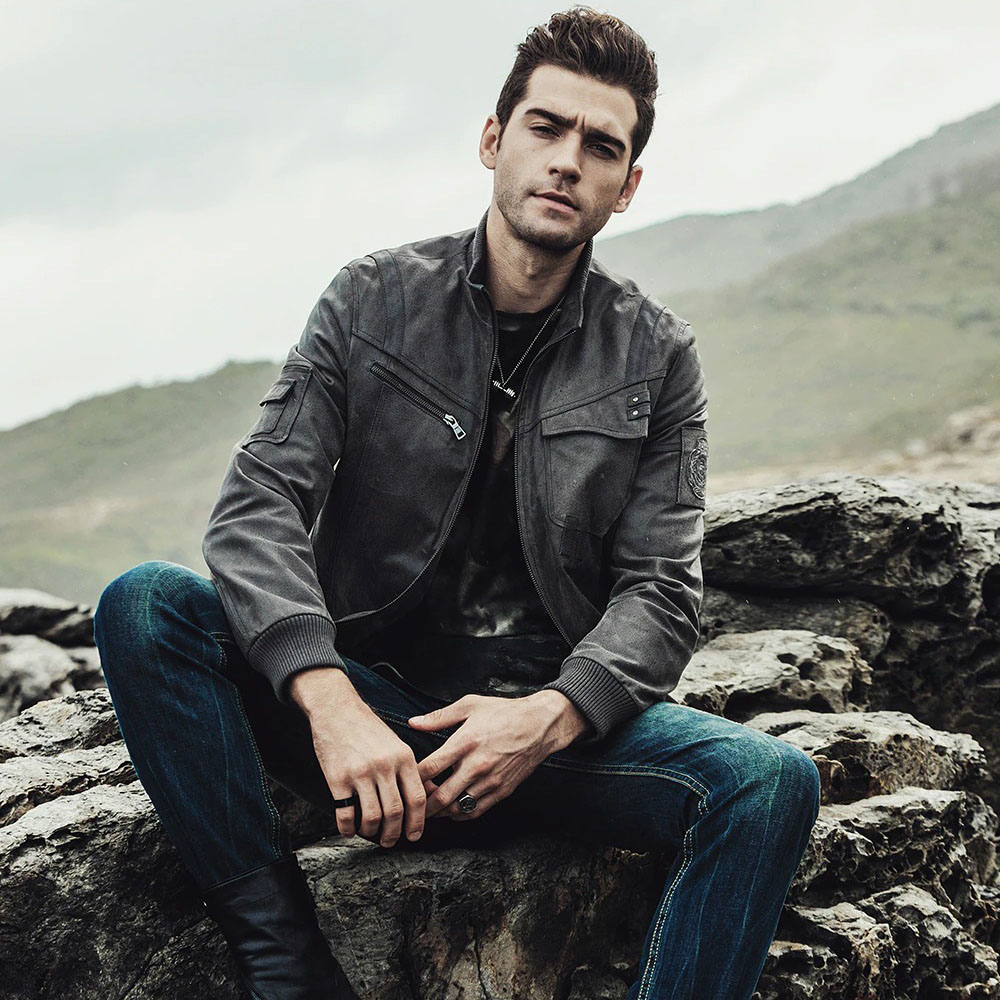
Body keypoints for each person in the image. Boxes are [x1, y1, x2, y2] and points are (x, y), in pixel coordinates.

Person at [93, 7, 821, 999]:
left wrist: (550, 718)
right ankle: (286, 966)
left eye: (599, 146)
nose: (566, 160)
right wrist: (328, 696)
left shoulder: (656, 355)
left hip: (543, 748)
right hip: (369, 717)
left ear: (627, 185)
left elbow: (659, 591)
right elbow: (257, 503)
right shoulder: (372, 300)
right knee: (145, 605)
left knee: (771, 781)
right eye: (545, 128)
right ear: (493, 139)